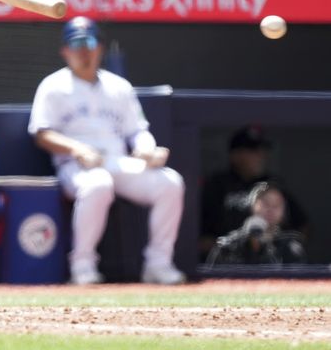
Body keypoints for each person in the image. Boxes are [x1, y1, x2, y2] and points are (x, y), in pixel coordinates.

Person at [29, 16, 185, 285]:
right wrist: (77, 148)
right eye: (75, 44)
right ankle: (83, 266)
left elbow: (137, 130)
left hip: (117, 161)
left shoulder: (119, 87)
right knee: (98, 184)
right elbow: (41, 133)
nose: (83, 51)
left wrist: (147, 149)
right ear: (65, 50)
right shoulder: (53, 86)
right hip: (75, 166)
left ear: (99, 47)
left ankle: (158, 264)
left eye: (88, 43)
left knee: (170, 182)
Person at [200, 124, 308, 260]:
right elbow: (199, 233)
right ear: (235, 155)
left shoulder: (273, 184)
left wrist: (287, 249)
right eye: (253, 151)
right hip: (230, 257)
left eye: (263, 150)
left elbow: (302, 225)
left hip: (272, 260)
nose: (261, 156)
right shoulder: (217, 184)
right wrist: (221, 247)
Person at [206, 182, 307, 265]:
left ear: (284, 212)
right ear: (252, 206)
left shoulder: (291, 249)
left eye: (277, 204)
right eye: (265, 203)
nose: (271, 208)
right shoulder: (227, 247)